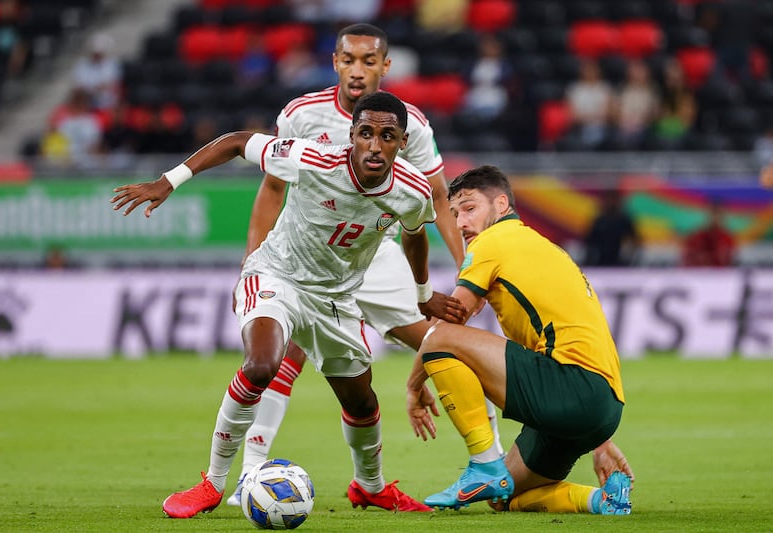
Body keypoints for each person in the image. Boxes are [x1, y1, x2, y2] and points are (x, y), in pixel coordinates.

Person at [110, 91, 467, 518]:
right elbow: (236, 141)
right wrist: (170, 179)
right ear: (351, 135)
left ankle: (370, 487)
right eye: (366, 133)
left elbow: (414, 234)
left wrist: (424, 296)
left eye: (387, 136)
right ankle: (212, 482)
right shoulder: (311, 159)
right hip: (277, 275)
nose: (375, 145)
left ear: (402, 142)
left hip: (335, 297)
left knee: (362, 403)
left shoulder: (413, 190)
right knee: (261, 365)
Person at [224, 22, 504, 507]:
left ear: (384, 66)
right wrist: (253, 259)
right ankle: (251, 472)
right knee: (281, 352)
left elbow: (436, 198)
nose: (358, 71)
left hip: (375, 257)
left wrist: (469, 272)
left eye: (368, 61)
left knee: (445, 343)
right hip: (308, 258)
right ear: (335, 63)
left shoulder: (408, 123)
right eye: (349, 60)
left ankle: (489, 460)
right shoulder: (302, 114)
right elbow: (272, 188)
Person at [406, 165, 634, 514]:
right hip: (603, 406)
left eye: (469, 208)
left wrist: (414, 386)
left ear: (501, 204)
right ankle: (601, 500)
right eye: (453, 214)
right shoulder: (545, 248)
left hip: (570, 388)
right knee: (503, 499)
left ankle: (484, 463)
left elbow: (445, 328)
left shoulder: (491, 242)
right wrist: (599, 440)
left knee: (443, 338)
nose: (460, 223)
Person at [583, 189, 640, 267]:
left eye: (614, 199)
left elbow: (634, 240)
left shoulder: (623, 221)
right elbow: (589, 241)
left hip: (619, 262)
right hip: (599, 262)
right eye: (609, 199)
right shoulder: (600, 221)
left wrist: (628, 255)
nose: (611, 202)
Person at [681, 200, 736, 267]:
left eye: (718, 214)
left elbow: (731, 262)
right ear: (707, 215)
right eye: (712, 214)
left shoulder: (727, 239)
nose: (715, 218)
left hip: (722, 276)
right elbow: (687, 259)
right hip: (697, 275)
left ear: (723, 216)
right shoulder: (696, 238)